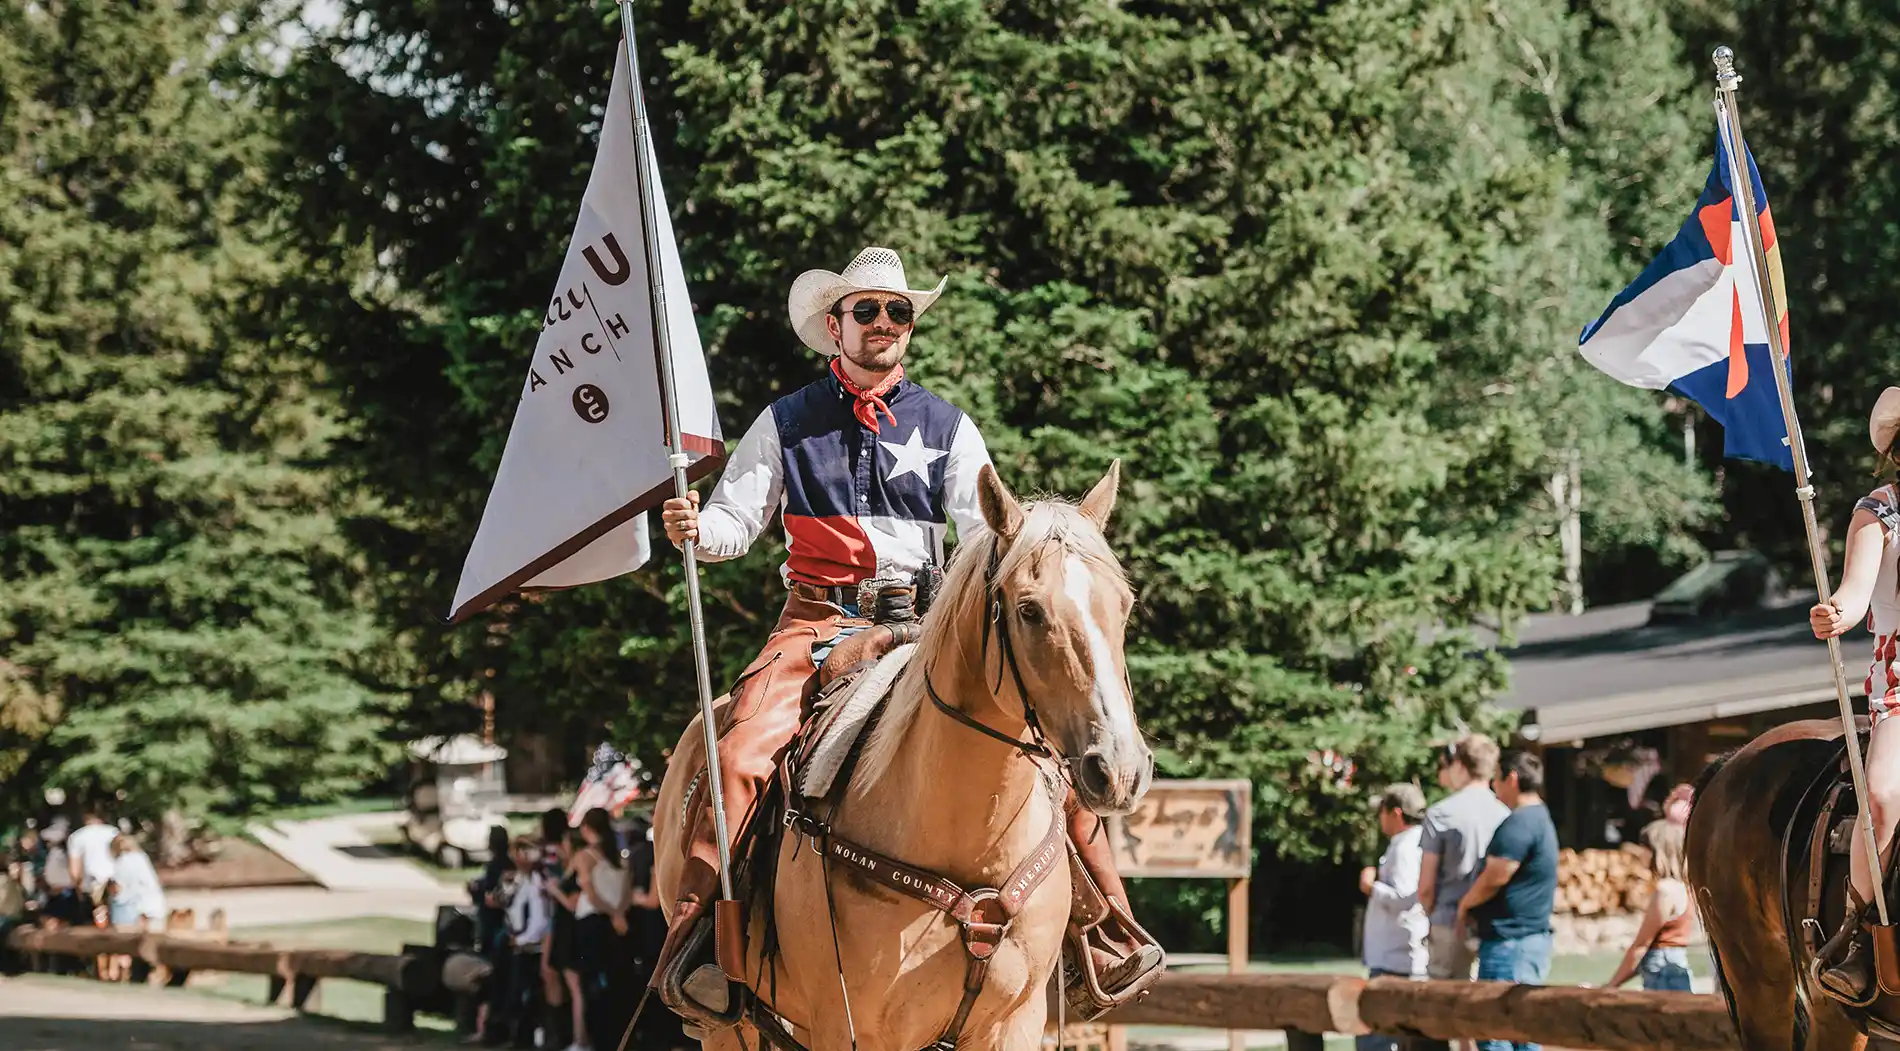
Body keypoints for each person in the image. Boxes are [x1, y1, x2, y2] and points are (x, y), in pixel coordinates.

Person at [652, 246, 1162, 1016]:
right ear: (836, 325)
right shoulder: (787, 422)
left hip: (921, 625)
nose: (886, 323)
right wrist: (699, 528)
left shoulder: (949, 427)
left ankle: (1102, 928)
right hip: (818, 622)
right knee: (739, 748)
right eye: (869, 310)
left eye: (900, 312)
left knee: (1054, 748)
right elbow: (735, 519)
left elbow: (988, 533)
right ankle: (702, 940)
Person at [1809, 385, 1900, 1003]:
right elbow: (1857, 589)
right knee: (1882, 793)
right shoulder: (1880, 511)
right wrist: (1836, 612)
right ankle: (1862, 934)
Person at [1456, 751, 1559, 1051]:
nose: (1493, 787)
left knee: (1497, 1029)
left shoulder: (1522, 822)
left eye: (1496, 780)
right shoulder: (1538, 817)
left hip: (1510, 944)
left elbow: (1495, 876)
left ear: (1511, 778)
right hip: (1522, 941)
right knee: (1519, 1030)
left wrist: (1465, 905)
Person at [1416, 736, 1509, 991]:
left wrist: (1429, 912)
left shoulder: (1441, 814)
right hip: (1489, 924)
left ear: (1460, 766)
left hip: (1448, 921)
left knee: (1443, 1005)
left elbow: (1425, 885)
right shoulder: (1505, 814)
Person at [1358, 784, 1428, 1051]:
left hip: (1395, 958)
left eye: (1382, 812)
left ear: (1396, 813)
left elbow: (1405, 897)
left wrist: (1371, 887)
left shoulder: (1405, 848)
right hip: (1400, 955)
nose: (1380, 818)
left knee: (1376, 1035)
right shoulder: (1415, 843)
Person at [1604, 820, 1696, 992]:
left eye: (1645, 848)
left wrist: (1610, 986)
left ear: (1658, 851)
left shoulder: (1665, 891)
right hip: (1674, 967)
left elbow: (1641, 947)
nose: (1640, 854)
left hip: (1663, 974)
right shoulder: (1684, 888)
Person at [503, 836, 551, 1049]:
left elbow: (541, 917)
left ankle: (528, 1040)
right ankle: (518, 1038)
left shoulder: (539, 880)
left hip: (533, 946)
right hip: (520, 943)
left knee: (529, 997)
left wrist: (527, 938)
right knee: (516, 996)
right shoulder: (519, 879)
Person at [66, 808, 116, 914]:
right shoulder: (114, 832)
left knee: (96, 916)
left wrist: (78, 887)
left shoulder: (77, 836)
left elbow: (74, 868)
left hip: (91, 881)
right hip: (114, 879)